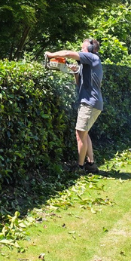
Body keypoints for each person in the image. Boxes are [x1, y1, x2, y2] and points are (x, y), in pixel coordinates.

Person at [44, 39, 103, 173]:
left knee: (79, 134)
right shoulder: (87, 64)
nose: (81, 51)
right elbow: (80, 84)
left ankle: (80, 167)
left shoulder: (92, 57)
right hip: (90, 102)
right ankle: (90, 164)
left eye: (82, 48)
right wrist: (76, 73)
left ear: (90, 49)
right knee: (84, 133)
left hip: (89, 103)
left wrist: (51, 55)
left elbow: (67, 53)